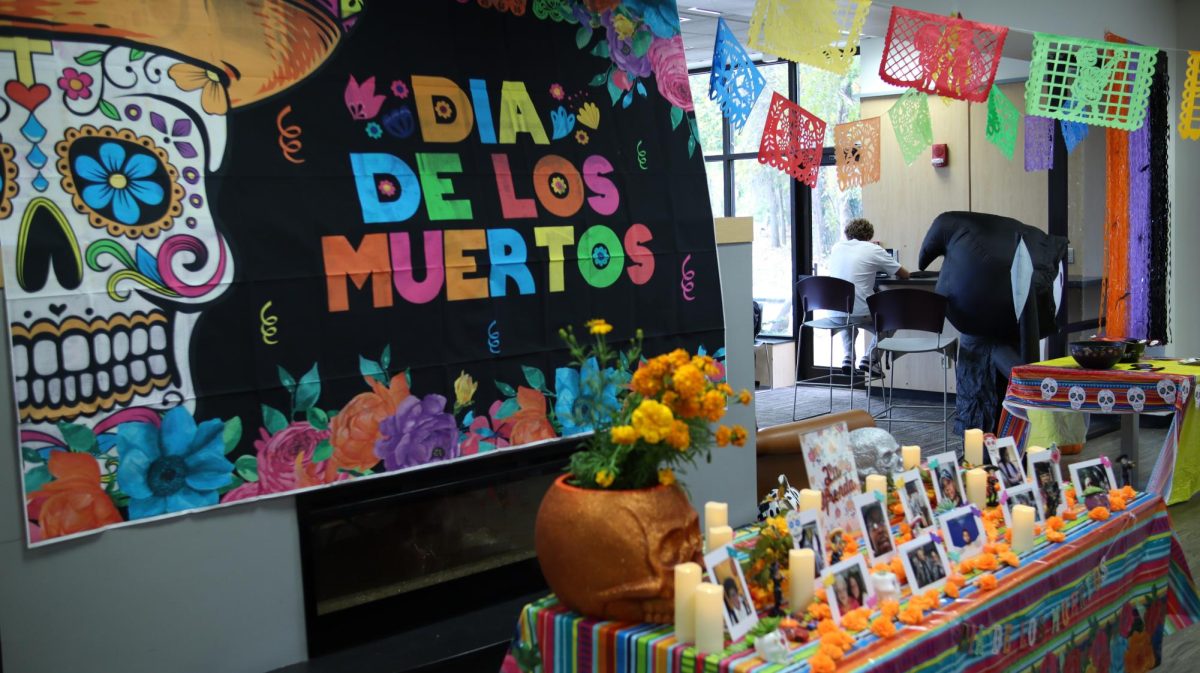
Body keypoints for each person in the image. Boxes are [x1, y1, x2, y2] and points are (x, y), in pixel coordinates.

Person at [825, 218, 910, 376]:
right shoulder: (873, 249)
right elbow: (903, 274)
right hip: (861, 313)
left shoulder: (836, 247)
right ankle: (870, 358)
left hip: (834, 312)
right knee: (893, 319)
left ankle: (848, 358)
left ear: (847, 233)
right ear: (869, 235)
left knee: (847, 315)